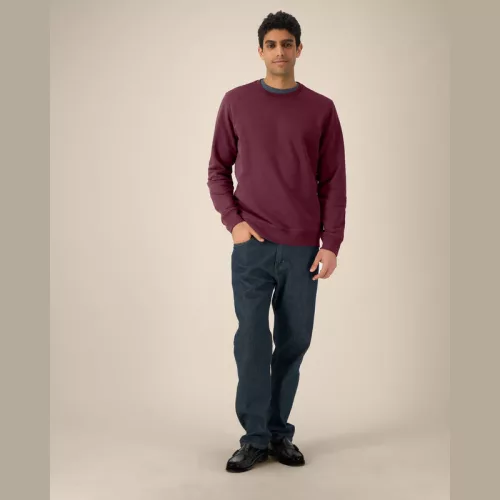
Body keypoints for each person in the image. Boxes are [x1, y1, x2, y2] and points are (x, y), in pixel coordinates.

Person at [207, 10, 347, 473]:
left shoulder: (321, 109)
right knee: (251, 340)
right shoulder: (236, 102)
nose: (280, 51)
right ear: (260, 51)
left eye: (288, 43)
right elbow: (217, 169)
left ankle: (278, 433)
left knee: (294, 341)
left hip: (304, 247)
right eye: (272, 44)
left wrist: (331, 242)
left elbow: (333, 180)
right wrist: (234, 222)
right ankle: (254, 438)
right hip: (253, 245)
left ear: (299, 49)